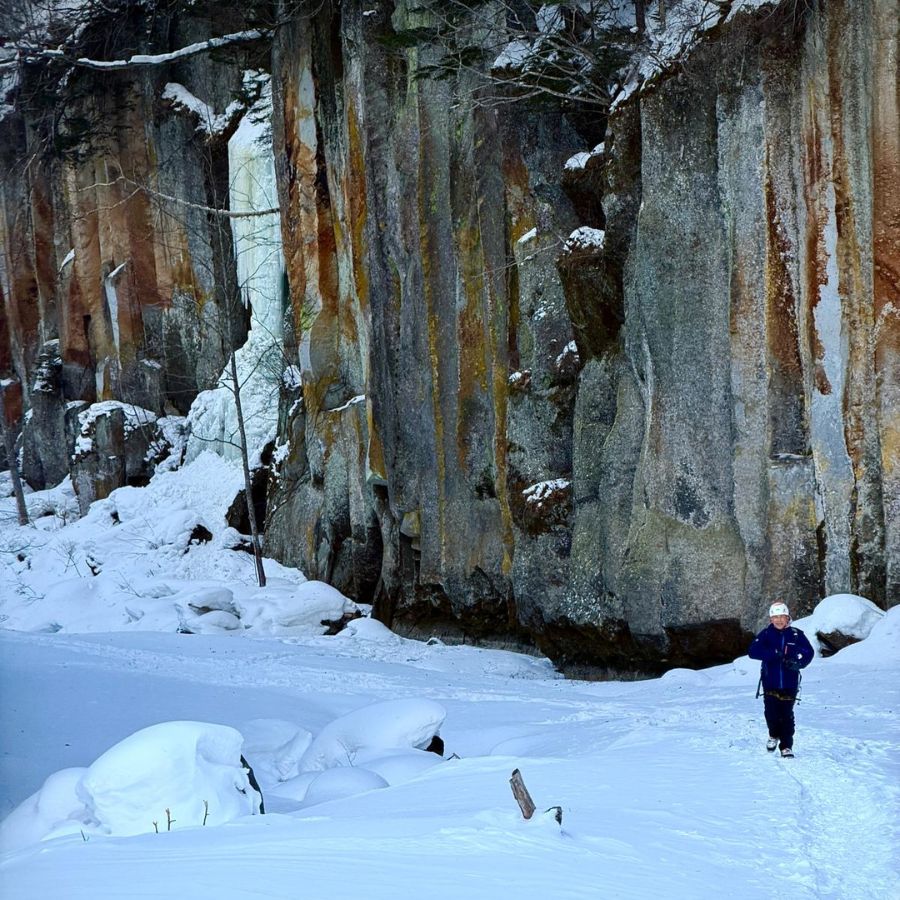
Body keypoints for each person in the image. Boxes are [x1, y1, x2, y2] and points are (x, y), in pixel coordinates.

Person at [747, 601, 814, 758]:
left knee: (787, 714)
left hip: (790, 682)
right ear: (771, 619)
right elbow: (753, 651)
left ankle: (786, 746)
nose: (778, 620)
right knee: (771, 713)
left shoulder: (796, 634)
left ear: (788, 617)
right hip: (770, 681)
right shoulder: (766, 634)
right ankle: (773, 735)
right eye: (775, 617)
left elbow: (808, 652)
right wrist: (773, 653)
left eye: (782, 616)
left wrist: (799, 663)